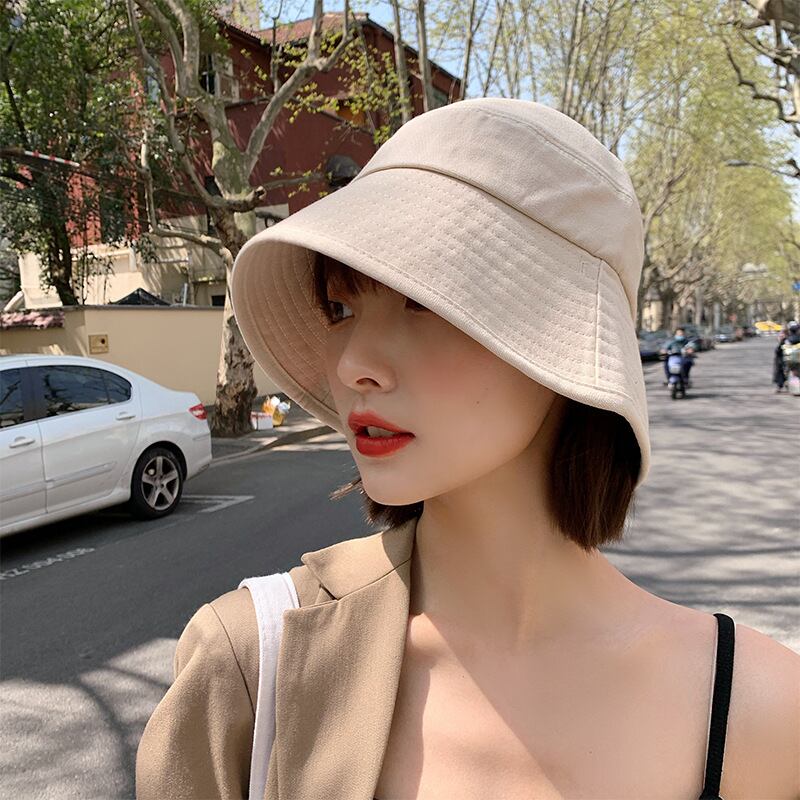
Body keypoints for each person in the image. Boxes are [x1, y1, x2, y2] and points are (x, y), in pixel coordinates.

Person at [136, 100, 800, 800]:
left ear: (568, 335)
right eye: (340, 308)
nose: (354, 364)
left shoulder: (759, 711)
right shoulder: (251, 665)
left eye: (424, 300)